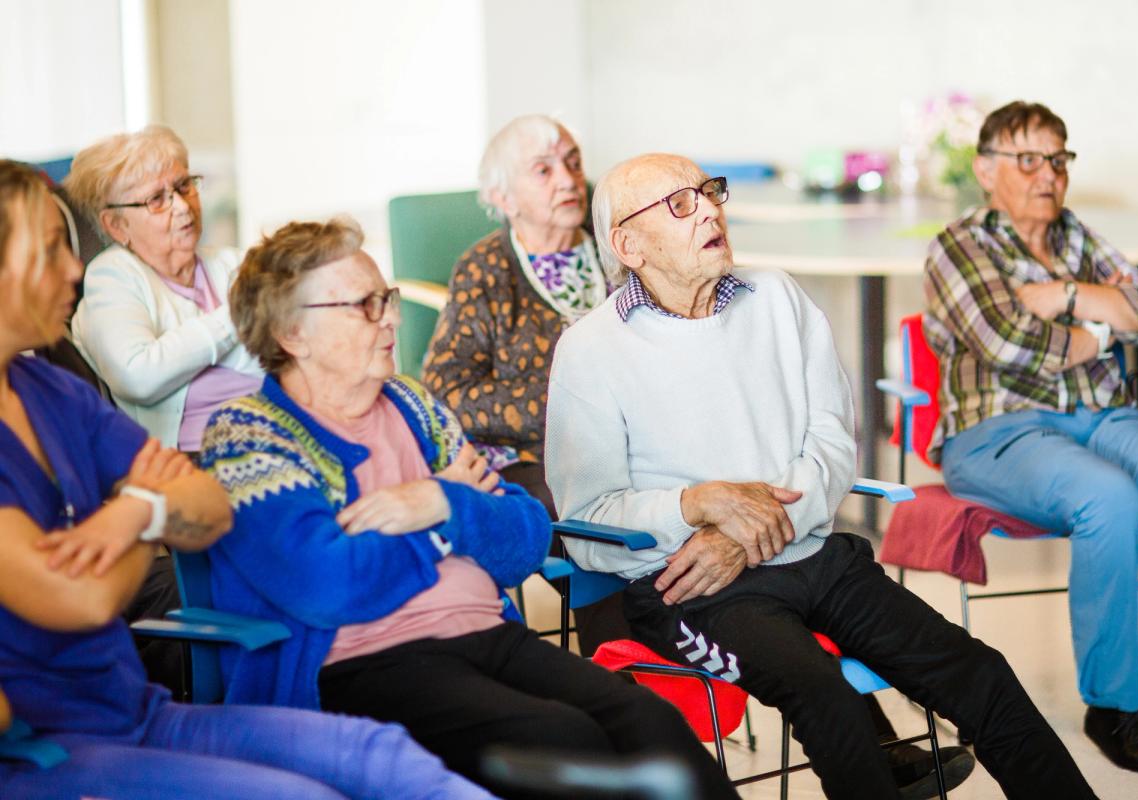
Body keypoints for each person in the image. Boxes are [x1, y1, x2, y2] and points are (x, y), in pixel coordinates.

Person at [545, 152, 1099, 800]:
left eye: (708, 193)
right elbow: (588, 526)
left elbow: (834, 447)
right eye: (679, 204)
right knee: (827, 699)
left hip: (817, 557)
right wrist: (695, 504)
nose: (710, 210)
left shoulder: (778, 297)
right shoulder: (591, 350)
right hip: (692, 590)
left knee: (979, 672)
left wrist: (748, 533)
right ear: (628, 244)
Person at [0, 160, 492, 800]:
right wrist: (153, 516)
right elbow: (83, 598)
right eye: (47, 251)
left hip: (138, 714)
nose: (73, 269)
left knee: (378, 751)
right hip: (41, 754)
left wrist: (136, 513)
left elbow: (208, 507)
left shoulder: (53, 389)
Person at [200, 217, 739, 800]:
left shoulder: (411, 404)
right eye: (364, 305)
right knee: (562, 739)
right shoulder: (249, 435)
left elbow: (525, 537)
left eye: (387, 298)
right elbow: (325, 583)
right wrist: (443, 526)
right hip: (364, 664)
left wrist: (437, 501)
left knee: (650, 721)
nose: (391, 318)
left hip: (489, 637)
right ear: (291, 334)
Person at [924, 100, 1138, 775]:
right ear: (987, 170)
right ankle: (1114, 707)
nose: (1047, 174)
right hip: (999, 431)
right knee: (1109, 498)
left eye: (1058, 158)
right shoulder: (960, 245)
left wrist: (1069, 298)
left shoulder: (1077, 237)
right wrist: (1108, 320)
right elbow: (1008, 341)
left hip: (1105, 413)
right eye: (1028, 159)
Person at [423, 114, 605, 514]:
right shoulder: (485, 269)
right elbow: (445, 392)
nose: (567, 179)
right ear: (504, 199)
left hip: (630, 439)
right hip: (532, 456)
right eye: (543, 170)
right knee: (583, 500)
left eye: (573, 162)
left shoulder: (614, 243)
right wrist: (565, 406)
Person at [64, 124, 263, 453]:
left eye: (184, 186)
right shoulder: (112, 277)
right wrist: (239, 316)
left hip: (278, 431)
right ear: (117, 225)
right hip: (198, 456)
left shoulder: (231, 264)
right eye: (157, 199)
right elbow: (138, 375)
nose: (183, 207)